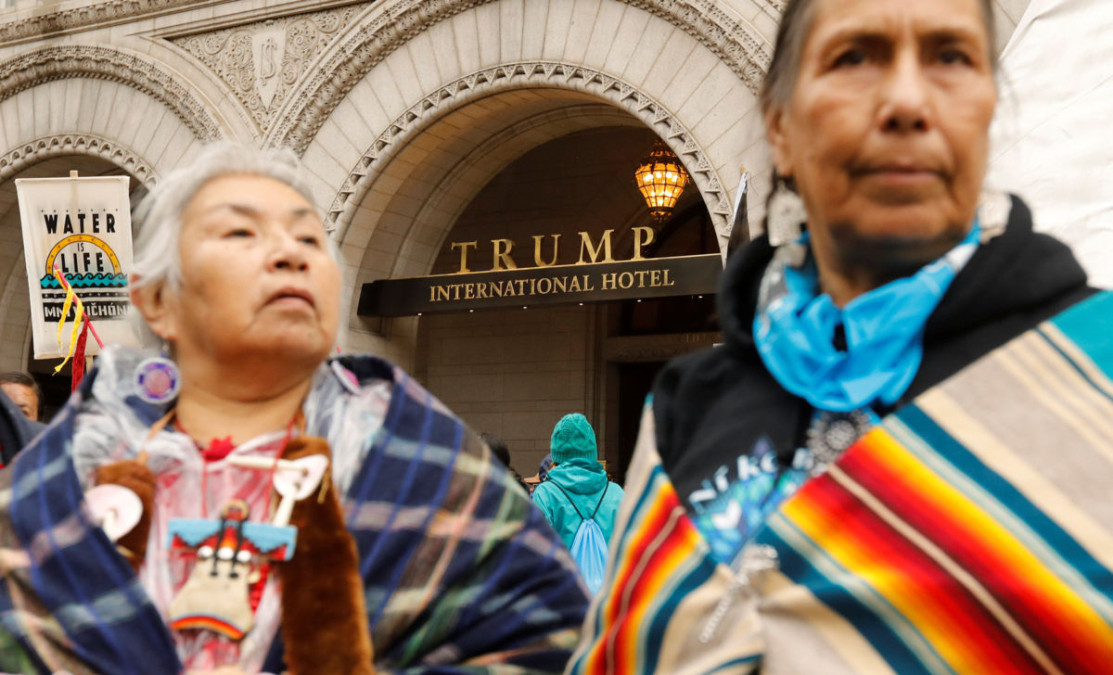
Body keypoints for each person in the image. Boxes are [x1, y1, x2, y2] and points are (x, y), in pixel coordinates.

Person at [569, 0, 1113, 672]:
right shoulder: (687, 408)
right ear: (779, 126)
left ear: (989, 112)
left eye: (951, 57)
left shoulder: (1095, 370)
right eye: (853, 56)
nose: (907, 102)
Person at [0, 143, 588, 675]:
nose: (290, 253)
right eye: (240, 234)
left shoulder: (427, 461)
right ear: (157, 300)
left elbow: (551, 649)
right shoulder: (51, 487)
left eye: (310, 240)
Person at [531, 415, 623, 584]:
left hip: (564, 600)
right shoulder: (617, 494)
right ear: (592, 452)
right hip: (609, 601)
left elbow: (537, 557)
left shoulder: (545, 495)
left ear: (556, 454)